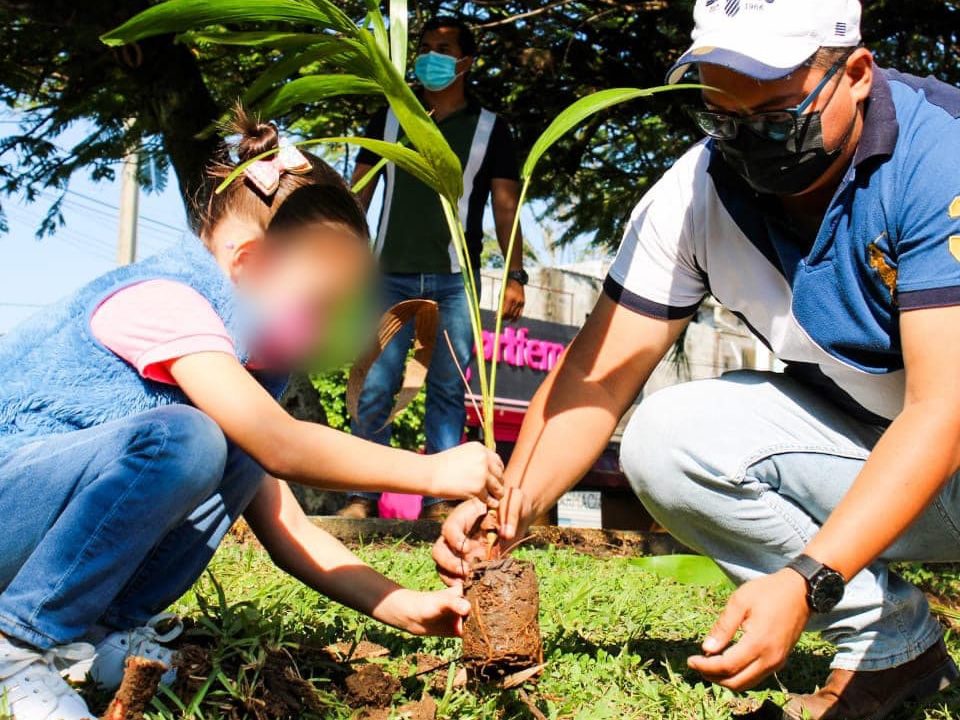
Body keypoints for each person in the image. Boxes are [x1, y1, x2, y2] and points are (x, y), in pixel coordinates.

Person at [433, 1, 960, 717]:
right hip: (890, 452)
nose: (751, 140)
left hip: (946, 442)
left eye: (777, 111)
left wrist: (806, 578)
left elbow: (943, 409)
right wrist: (512, 507)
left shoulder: (939, 157)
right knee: (669, 439)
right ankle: (893, 646)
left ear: (857, 73)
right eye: (723, 114)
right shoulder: (695, 194)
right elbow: (601, 373)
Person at [0, 111, 503, 720]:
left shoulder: (242, 371)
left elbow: (287, 525)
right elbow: (282, 444)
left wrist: (399, 604)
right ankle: (18, 646)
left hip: (40, 542)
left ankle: (99, 632)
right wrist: (430, 472)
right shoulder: (165, 300)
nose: (320, 330)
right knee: (185, 440)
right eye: (318, 305)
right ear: (248, 263)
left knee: (227, 450)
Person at [340, 16, 526, 521]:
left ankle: (442, 501)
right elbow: (360, 192)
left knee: (447, 390)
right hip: (387, 277)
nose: (430, 57)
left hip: (455, 284)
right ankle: (361, 497)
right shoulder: (392, 117)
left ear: (466, 61)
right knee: (376, 385)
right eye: (424, 47)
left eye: (443, 48)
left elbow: (506, 208)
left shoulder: (492, 130)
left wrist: (515, 275)